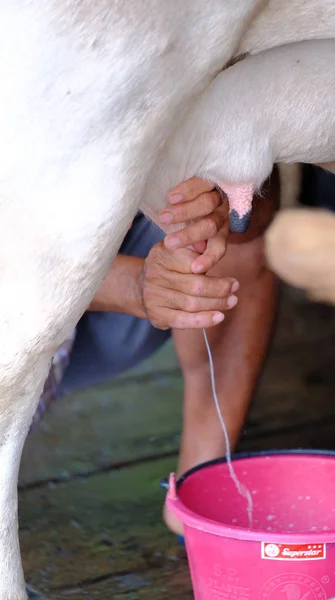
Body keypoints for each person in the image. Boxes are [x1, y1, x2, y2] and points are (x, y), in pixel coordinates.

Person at [30, 175, 279, 538]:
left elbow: (258, 215)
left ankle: (197, 502)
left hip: (87, 325)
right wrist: (133, 284)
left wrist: (230, 201)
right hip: (26, 312)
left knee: (222, 234)